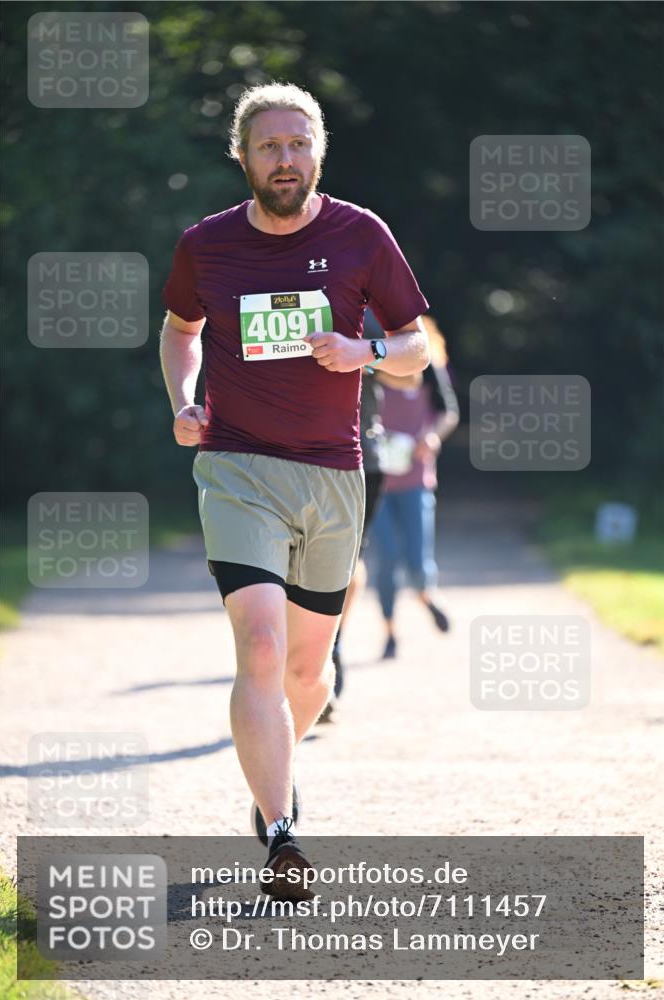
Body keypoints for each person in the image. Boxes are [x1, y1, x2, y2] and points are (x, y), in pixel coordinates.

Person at [159, 82, 430, 899]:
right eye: (270, 146)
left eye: (298, 144)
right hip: (237, 466)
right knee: (263, 648)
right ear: (240, 155)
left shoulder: (360, 234)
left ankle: (269, 773)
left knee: (310, 676)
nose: (286, 159)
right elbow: (180, 332)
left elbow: (414, 346)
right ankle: (280, 833)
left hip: (332, 474)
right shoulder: (205, 245)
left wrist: (366, 350)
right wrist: (182, 402)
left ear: (319, 151)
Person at [369, 317, 459, 659]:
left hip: (416, 481)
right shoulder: (370, 368)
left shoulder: (431, 371)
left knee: (418, 562)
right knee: (387, 560)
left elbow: (448, 412)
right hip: (377, 482)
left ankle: (427, 594)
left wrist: (432, 437)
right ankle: (390, 632)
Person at [318, 309, 387, 723]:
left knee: (346, 558)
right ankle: (306, 663)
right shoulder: (269, 288)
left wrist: (364, 352)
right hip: (286, 457)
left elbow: (413, 366)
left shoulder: (371, 306)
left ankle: (334, 642)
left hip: (360, 456)